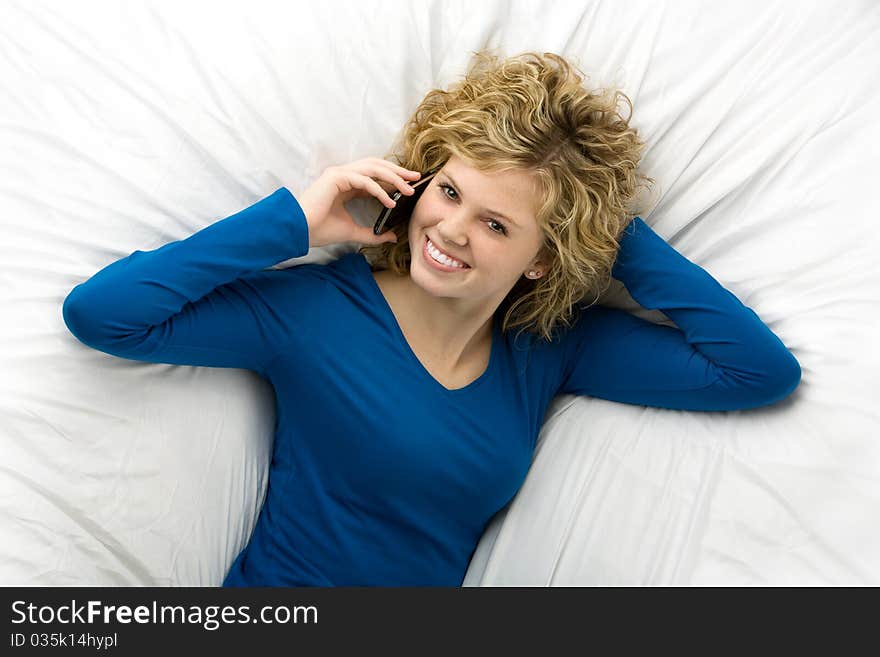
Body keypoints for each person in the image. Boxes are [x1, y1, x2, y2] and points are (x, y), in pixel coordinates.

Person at [61, 50, 801, 586]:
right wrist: (294, 221)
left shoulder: (549, 348)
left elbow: (755, 370)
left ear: (542, 260)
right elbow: (103, 314)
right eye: (449, 192)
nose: (450, 230)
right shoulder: (316, 310)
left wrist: (604, 227)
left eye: (498, 226)